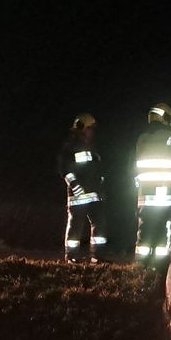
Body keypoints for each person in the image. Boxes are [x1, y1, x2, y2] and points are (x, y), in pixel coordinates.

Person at [133, 102, 171, 265]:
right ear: (166, 117)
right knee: (162, 230)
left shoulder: (142, 138)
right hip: (166, 193)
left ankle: (140, 264)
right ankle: (159, 266)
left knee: (144, 230)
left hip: (145, 193)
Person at [57, 112, 107, 262]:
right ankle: (71, 257)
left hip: (94, 195)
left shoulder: (93, 148)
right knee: (75, 227)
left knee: (100, 224)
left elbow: (98, 169)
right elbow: (64, 169)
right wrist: (74, 185)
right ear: (81, 128)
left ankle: (97, 257)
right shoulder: (70, 148)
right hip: (78, 196)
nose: (91, 132)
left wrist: (101, 185)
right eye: (89, 128)